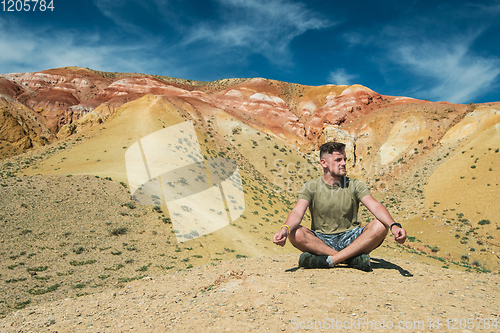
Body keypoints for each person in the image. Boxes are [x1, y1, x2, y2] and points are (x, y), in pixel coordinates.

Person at [272, 141, 406, 271]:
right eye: (338, 160)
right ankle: (349, 259)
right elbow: (297, 212)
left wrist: (393, 225)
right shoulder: (311, 187)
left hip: (351, 238)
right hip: (321, 240)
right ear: (324, 163)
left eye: (345, 159)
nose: (344, 163)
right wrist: (285, 229)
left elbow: (375, 206)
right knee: (294, 232)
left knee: (381, 226)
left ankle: (330, 260)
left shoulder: (355, 185)